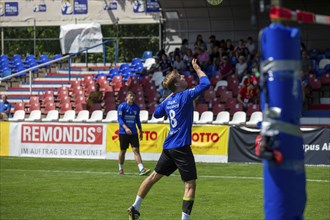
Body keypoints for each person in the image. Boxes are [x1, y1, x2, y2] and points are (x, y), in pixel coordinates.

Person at [127, 59, 210, 220]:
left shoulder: (170, 100)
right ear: (177, 85)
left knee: (153, 178)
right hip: (181, 147)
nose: (184, 77)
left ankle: (135, 206)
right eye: (180, 77)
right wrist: (197, 68)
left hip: (169, 147)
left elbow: (157, 113)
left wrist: (170, 94)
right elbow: (205, 83)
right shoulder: (185, 96)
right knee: (190, 184)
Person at [117, 91, 150, 176]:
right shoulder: (121, 107)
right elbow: (120, 119)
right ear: (127, 96)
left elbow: (137, 120)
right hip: (123, 132)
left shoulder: (136, 108)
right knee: (123, 151)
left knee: (136, 150)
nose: (132, 98)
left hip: (134, 132)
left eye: (134, 96)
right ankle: (121, 168)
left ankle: (141, 169)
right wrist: (126, 128)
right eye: (131, 96)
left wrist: (140, 130)